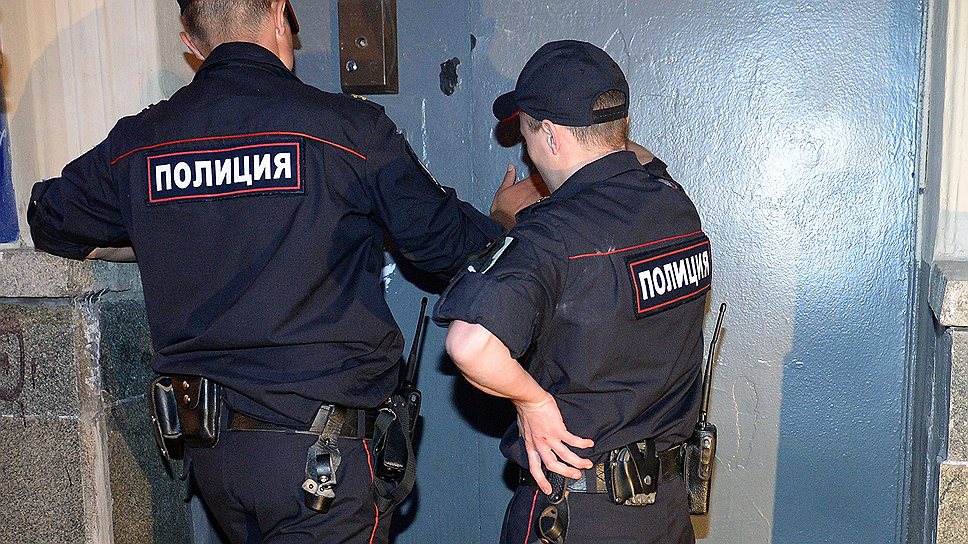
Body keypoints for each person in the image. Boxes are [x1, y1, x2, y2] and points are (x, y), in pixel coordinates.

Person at [26, 1, 537, 542]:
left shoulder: (141, 142)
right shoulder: (347, 130)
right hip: (323, 461)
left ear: (191, 42)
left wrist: (151, 233)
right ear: (279, 12)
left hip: (216, 461)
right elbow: (448, 247)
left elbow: (50, 220)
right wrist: (504, 221)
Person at [435, 40, 711, 543]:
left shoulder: (549, 236)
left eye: (527, 134)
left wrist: (533, 402)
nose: (527, 152)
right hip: (665, 511)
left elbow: (470, 345)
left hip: (575, 514)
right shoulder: (676, 206)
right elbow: (636, 158)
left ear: (551, 135)